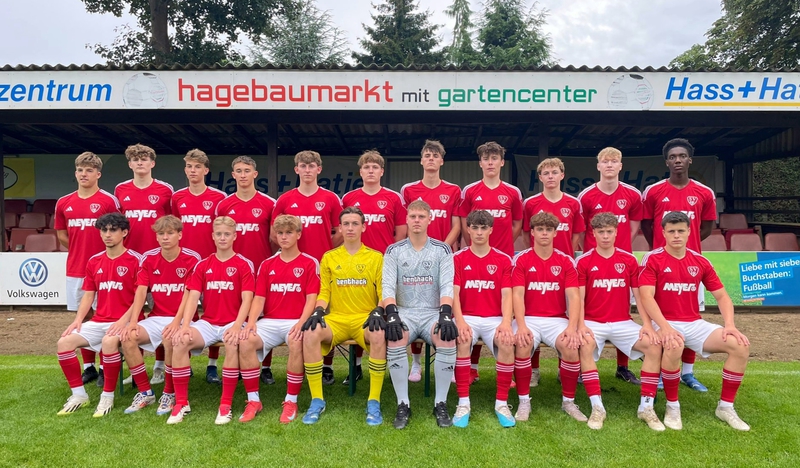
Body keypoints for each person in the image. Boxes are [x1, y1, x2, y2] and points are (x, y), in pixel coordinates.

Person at [639, 211, 751, 431]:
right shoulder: (652, 258)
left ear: (690, 232)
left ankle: (725, 407)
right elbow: (646, 297)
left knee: (740, 345)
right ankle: (673, 406)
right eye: (671, 231)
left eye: (681, 230)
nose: (676, 235)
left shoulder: (700, 261)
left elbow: (722, 296)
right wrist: (665, 328)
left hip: (694, 322)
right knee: (674, 344)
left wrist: (730, 325)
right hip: (664, 322)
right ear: (663, 233)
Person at [94, 215, 201, 417]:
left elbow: (190, 295)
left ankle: (168, 393)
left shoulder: (192, 258)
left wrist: (177, 322)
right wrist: (133, 322)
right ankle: (145, 392)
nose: (165, 237)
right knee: (127, 337)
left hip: (185, 318)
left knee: (170, 338)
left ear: (180, 235)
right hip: (156, 317)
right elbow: (141, 292)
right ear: (156, 237)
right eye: (161, 234)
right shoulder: (148, 258)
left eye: (170, 233)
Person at [575, 212, 668, 431]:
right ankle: (597, 407)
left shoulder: (628, 260)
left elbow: (639, 296)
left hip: (622, 322)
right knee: (585, 345)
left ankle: (646, 407)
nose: (605, 236)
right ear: (593, 233)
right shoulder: (584, 261)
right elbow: (578, 298)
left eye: (609, 231)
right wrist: (580, 325)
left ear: (617, 232)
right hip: (593, 322)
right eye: (601, 232)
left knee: (654, 346)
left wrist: (647, 324)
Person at [641, 138, 718, 392]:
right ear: (666, 162)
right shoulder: (653, 191)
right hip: (660, 266)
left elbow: (707, 226)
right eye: (672, 157)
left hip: (691, 267)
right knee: (660, 318)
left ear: (690, 160)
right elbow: (647, 225)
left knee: (691, 317)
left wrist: (686, 248)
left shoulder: (704, 192)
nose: (677, 160)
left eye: (682, 156)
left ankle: (687, 373)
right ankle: (660, 370)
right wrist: (662, 248)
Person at [299, 206, 387, 425]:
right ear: (339, 228)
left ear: (363, 227)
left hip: (363, 319)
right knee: (311, 333)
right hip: (337, 319)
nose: (350, 228)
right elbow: (324, 292)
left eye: (355, 223)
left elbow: (383, 293)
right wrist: (318, 310)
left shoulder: (376, 257)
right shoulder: (329, 257)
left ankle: (374, 401)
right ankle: (317, 400)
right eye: (346, 224)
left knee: (378, 334)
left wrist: (378, 310)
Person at [166, 216, 255, 425]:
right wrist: (185, 325)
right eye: (219, 234)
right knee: (179, 341)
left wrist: (237, 326)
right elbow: (192, 297)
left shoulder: (244, 264)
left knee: (232, 343)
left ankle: (225, 405)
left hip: (233, 322)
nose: (223, 238)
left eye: (227, 234)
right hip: (208, 322)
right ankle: (181, 402)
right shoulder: (203, 265)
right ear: (213, 236)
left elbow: (248, 299)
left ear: (234, 236)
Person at [236, 215, 321, 424]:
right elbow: (259, 298)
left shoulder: (309, 262)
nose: (284, 237)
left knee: (296, 340)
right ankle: (253, 400)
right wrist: (251, 322)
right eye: (280, 233)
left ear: (298, 234)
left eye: (289, 232)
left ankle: (291, 401)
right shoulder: (267, 264)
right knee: (245, 340)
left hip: (296, 320)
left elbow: (311, 299)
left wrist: (301, 322)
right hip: (270, 321)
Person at [55, 213, 141, 416]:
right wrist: (77, 320)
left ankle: (107, 397)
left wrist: (123, 321)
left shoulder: (136, 260)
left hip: (126, 321)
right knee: (64, 343)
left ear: (124, 232)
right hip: (99, 320)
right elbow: (88, 295)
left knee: (109, 342)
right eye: (104, 230)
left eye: (113, 230)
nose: (108, 234)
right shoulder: (94, 261)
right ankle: (79, 395)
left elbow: (141, 298)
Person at [383, 200, 456, 429]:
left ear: (429, 219)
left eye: (421, 217)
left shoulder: (442, 249)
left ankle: (440, 403)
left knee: (446, 337)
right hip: (405, 311)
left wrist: (446, 313)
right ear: (406, 219)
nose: (416, 220)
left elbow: (447, 284)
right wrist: (391, 314)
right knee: (395, 337)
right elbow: (387, 286)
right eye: (413, 216)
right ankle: (403, 403)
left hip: (432, 312)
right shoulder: (394, 250)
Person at [511, 212, 587, 423]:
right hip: (529, 318)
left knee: (570, 346)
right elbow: (517, 295)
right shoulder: (521, 259)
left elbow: (574, 296)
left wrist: (572, 327)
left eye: (548, 230)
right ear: (533, 233)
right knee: (523, 343)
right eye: (540, 229)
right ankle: (524, 401)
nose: (544, 233)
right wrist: (522, 325)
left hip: (557, 319)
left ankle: (568, 402)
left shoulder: (565, 260)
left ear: (555, 233)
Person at [577, 147, 645, 385]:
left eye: (614, 161)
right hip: (593, 261)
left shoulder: (633, 194)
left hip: (622, 261)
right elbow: (581, 229)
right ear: (598, 166)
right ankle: (581, 366)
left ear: (620, 166)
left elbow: (634, 225)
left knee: (622, 311)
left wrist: (622, 247)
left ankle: (623, 367)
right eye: (605, 161)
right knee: (588, 309)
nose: (609, 165)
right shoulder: (586, 196)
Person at [458, 141, 523, 384]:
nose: (490, 163)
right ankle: (472, 368)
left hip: (503, 260)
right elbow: (464, 222)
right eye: (486, 159)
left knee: (503, 310)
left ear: (502, 162)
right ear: (480, 163)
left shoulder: (513, 192)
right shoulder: (470, 191)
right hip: (475, 258)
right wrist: (474, 248)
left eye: (494, 158)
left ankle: (507, 368)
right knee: (476, 306)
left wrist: (502, 247)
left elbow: (517, 224)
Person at [340, 150, 406, 386]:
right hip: (356, 265)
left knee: (385, 313)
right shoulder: (349, 198)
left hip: (384, 264)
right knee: (360, 313)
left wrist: (391, 257)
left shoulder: (393, 198)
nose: (370, 171)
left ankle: (387, 366)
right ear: (361, 172)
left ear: (381, 171)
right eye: (366, 167)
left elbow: (401, 231)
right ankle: (356, 366)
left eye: (375, 167)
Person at [54, 152, 120, 388]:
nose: (84, 174)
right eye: (81, 170)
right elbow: (62, 234)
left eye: (89, 170)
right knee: (83, 317)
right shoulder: (64, 202)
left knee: (104, 316)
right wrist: (78, 248)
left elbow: (118, 232)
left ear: (98, 174)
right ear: (75, 173)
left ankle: (104, 366)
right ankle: (89, 367)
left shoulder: (108, 201)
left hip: (105, 269)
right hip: (76, 268)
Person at [400, 139, 462, 383]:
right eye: (427, 155)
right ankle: (416, 364)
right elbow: (407, 223)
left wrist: (441, 249)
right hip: (415, 257)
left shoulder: (453, 190)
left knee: (444, 305)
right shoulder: (409, 189)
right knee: (415, 305)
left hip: (443, 257)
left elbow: (457, 225)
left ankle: (448, 362)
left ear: (442, 161)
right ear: (421, 160)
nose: (431, 159)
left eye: (435, 156)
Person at [521, 157, 585, 387]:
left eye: (554, 172)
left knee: (565, 317)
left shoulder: (573, 203)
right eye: (546, 173)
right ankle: (534, 369)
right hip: (537, 266)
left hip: (564, 268)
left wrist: (566, 253)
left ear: (562, 175)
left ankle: (563, 367)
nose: (550, 176)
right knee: (535, 315)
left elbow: (576, 234)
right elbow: (527, 234)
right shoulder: (531, 203)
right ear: (540, 177)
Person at [451, 210, 516, 428]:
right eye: (475, 228)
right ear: (468, 230)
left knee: (506, 342)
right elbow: (454, 293)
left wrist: (506, 322)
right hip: (467, 316)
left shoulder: (503, 259)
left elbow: (507, 294)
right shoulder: (457, 258)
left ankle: (501, 403)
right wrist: (460, 321)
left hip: (494, 318)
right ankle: (463, 403)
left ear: (491, 230)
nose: (479, 232)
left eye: (483, 228)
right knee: (462, 339)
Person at [115, 143, 174, 384]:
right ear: (130, 164)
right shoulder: (120, 190)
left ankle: (160, 365)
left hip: (158, 260)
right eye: (135, 159)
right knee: (135, 313)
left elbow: (170, 223)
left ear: (152, 163)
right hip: (131, 261)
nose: (140, 162)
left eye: (144, 158)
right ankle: (136, 367)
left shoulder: (165, 190)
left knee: (160, 311)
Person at [215, 156, 277, 385]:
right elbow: (220, 237)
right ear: (233, 175)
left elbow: (274, 238)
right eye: (239, 171)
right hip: (234, 272)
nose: (243, 175)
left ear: (255, 174)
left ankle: (266, 368)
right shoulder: (224, 205)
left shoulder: (269, 203)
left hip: (261, 270)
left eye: (247, 170)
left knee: (263, 318)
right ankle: (239, 365)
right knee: (236, 316)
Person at [171, 148, 227, 384]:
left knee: (215, 313)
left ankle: (212, 365)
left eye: (197, 167)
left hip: (212, 264)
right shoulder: (177, 198)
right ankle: (182, 360)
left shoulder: (219, 198)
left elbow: (223, 230)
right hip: (185, 265)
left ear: (206, 170)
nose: (193, 171)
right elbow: (174, 228)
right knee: (188, 310)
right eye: (189, 167)